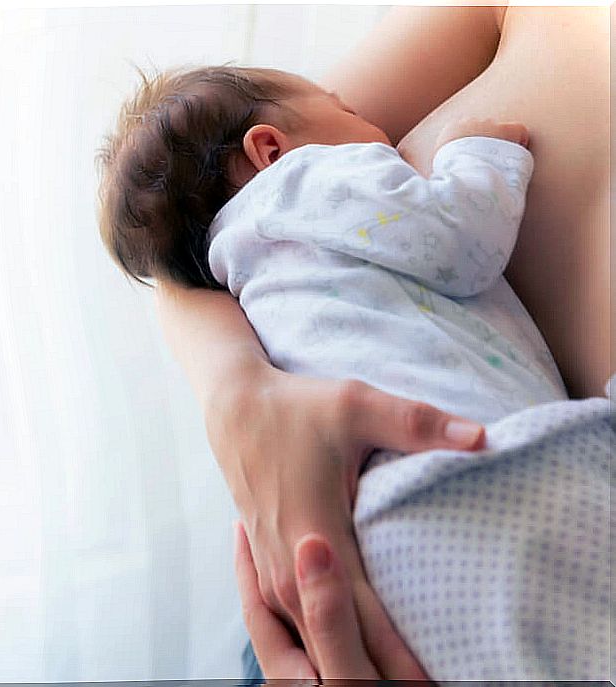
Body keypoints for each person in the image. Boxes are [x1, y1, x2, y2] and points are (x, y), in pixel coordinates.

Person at [139, 5, 609, 680]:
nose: (380, 137)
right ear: (268, 148)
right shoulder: (297, 159)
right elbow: (174, 251)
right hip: (391, 557)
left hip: (443, 547)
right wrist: (238, 394)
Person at [97, 64, 567, 429]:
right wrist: (476, 153)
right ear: (271, 151)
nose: (368, 121)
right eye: (347, 111)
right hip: (472, 447)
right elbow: (461, 244)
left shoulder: (245, 275)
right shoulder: (300, 181)